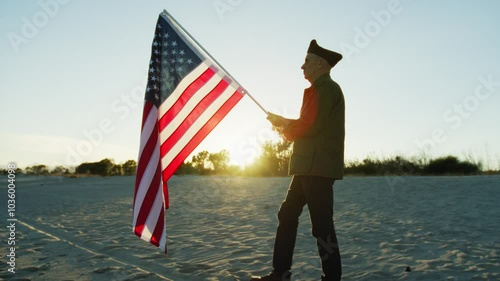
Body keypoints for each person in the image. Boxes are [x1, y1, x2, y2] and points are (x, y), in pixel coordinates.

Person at [250, 40, 345, 281]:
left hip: (317, 168)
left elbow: (309, 125)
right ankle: (280, 273)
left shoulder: (327, 89)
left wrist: (284, 124)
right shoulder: (319, 89)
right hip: (306, 167)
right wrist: (284, 123)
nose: (302, 67)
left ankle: (331, 278)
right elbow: (308, 124)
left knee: (322, 226)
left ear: (320, 64)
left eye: (307, 62)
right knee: (287, 215)